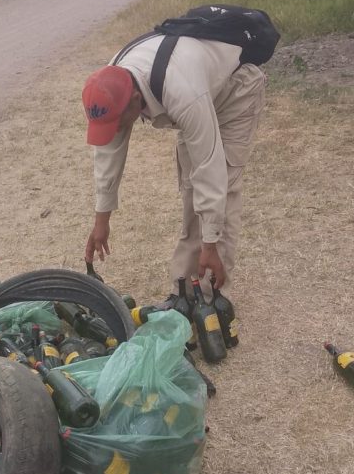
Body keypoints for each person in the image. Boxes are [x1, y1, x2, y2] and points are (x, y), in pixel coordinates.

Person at [82, 30, 266, 300]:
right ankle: (184, 293)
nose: (117, 129)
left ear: (135, 99)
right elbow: (108, 152)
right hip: (199, 88)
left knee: (220, 191)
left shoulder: (182, 93)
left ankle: (212, 299)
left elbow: (209, 167)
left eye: (119, 122)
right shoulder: (111, 85)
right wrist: (101, 220)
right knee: (193, 191)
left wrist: (211, 243)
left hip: (235, 90)